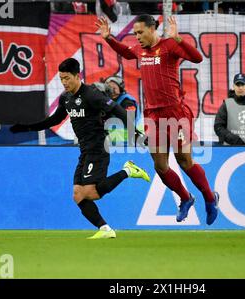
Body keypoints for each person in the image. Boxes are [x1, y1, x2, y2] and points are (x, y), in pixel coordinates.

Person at [96, 14, 220, 225]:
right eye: (134, 33)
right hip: (153, 116)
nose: (137, 37)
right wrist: (108, 38)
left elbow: (198, 58)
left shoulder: (170, 45)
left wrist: (179, 39)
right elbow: (126, 53)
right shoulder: (140, 50)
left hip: (176, 114)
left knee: (184, 161)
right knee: (160, 166)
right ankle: (186, 197)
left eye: (140, 32)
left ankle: (210, 197)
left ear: (152, 29)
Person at [10, 58, 150, 239]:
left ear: (78, 76)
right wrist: (26, 128)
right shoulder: (66, 98)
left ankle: (128, 171)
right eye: (61, 79)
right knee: (78, 195)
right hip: (84, 150)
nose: (64, 83)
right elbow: (54, 120)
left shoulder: (91, 95)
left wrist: (136, 133)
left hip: (99, 147)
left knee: (91, 192)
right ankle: (105, 230)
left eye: (67, 78)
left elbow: (116, 110)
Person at [104, 76, 141, 144]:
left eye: (114, 87)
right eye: (109, 87)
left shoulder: (127, 101)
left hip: (128, 140)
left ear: (120, 88)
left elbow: (130, 119)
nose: (111, 90)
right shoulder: (109, 101)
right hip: (115, 139)